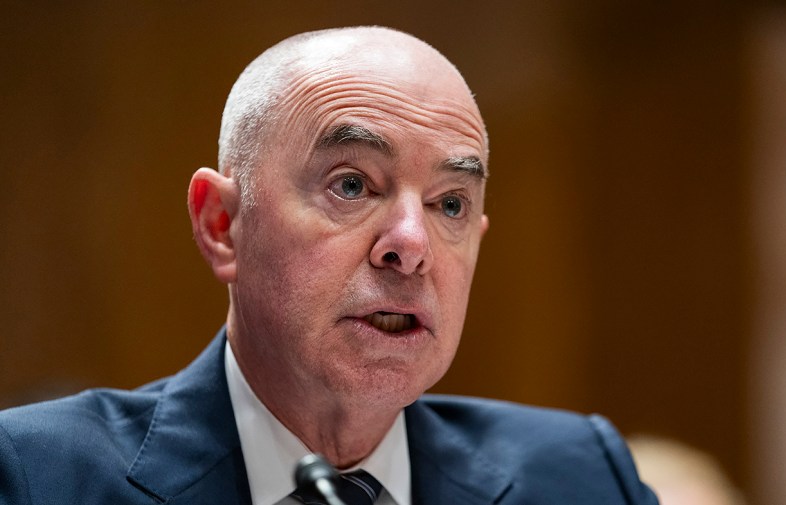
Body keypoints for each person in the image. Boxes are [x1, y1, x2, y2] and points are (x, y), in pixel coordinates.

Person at [0, 27, 657, 505]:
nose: (411, 243)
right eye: (352, 185)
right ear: (221, 225)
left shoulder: (582, 477)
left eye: (449, 202)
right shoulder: (36, 475)